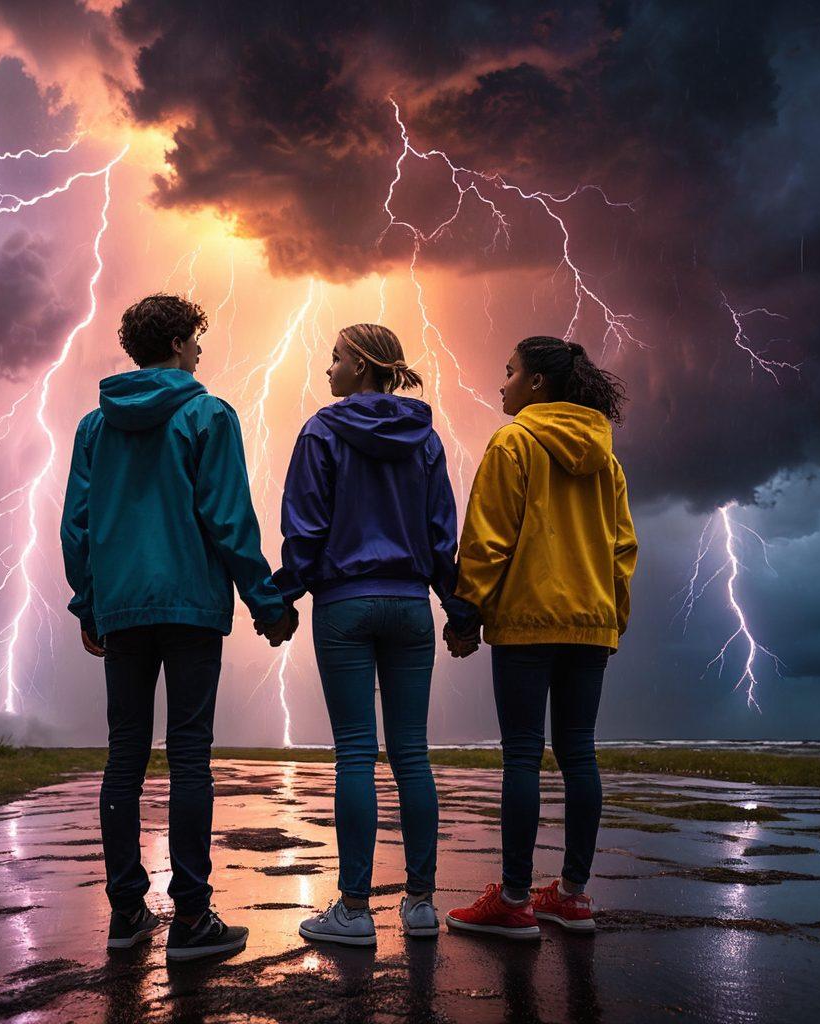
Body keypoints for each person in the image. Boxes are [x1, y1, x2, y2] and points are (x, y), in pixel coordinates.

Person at [60, 293, 297, 961]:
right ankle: (191, 918)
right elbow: (228, 518)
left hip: (123, 611)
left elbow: (76, 525)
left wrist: (89, 604)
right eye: (195, 337)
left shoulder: (95, 426)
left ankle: (126, 913)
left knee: (124, 756)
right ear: (175, 344)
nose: (199, 349)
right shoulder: (208, 414)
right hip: (190, 607)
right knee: (190, 755)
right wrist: (267, 602)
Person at [272, 323, 474, 947]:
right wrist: (458, 609)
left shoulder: (320, 432)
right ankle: (421, 906)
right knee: (411, 753)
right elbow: (441, 533)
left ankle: (355, 911)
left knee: (356, 753)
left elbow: (305, 528)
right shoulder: (425, 439)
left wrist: (281, 599)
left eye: (334, 358)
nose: (327, 368)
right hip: (411, 606)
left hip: (345, 606)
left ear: (361, 365)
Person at [444, 335, 637, 939]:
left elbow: (489, 538)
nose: (500, 383)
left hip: (527, 622)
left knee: (523, 755)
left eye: (508, 372)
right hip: (590, 624)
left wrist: (466, 612)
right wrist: (611, 617)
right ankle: (573, 897)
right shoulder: (606, 460)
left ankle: (515, 900)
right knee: (579, 753)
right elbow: (623, 548)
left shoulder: (514, 442)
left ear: (535, 383)